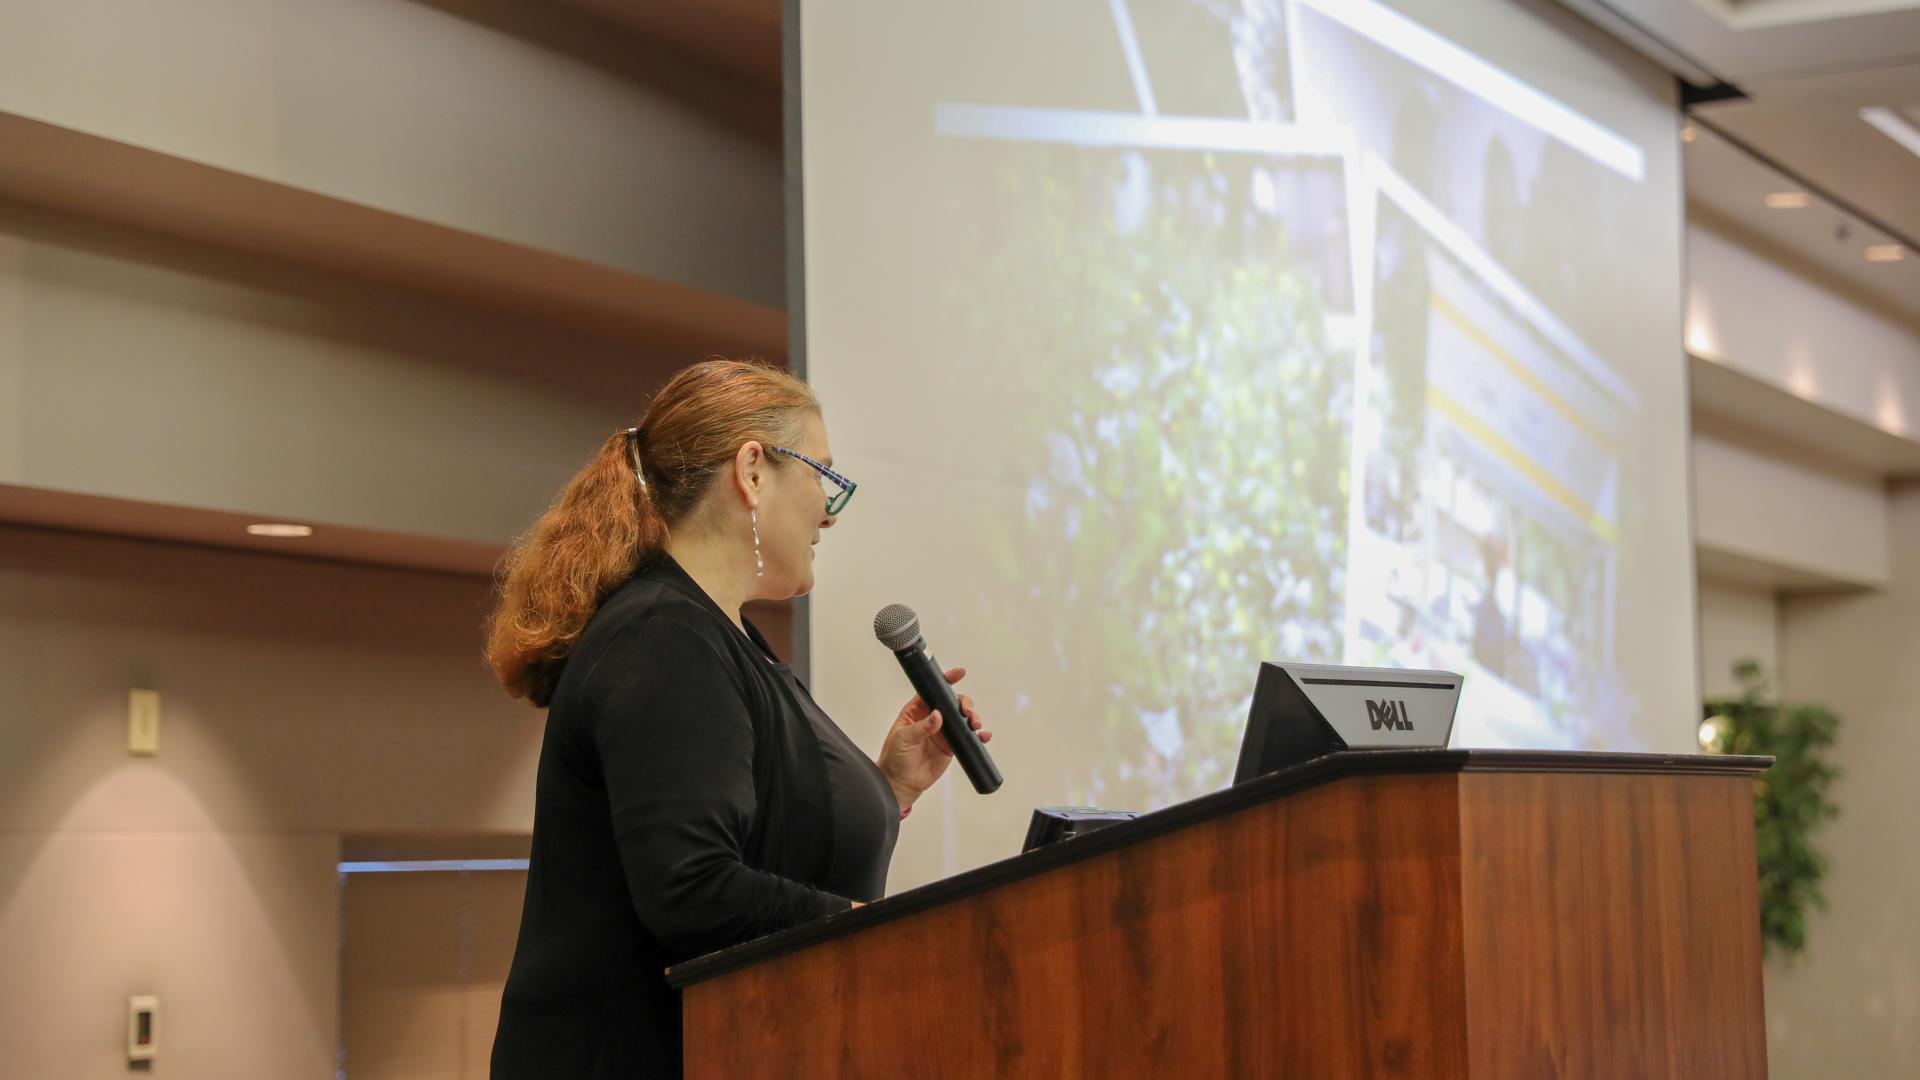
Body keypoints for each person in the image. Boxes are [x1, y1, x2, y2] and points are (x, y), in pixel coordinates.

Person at [484, 358, 990, 1078]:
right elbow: (693, 888)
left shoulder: (719, 636)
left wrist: (891, 786)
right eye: (824, 476)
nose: (828, 512)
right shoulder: (662, 636)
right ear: (752, 471)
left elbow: (758, 841)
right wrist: (882, 936)